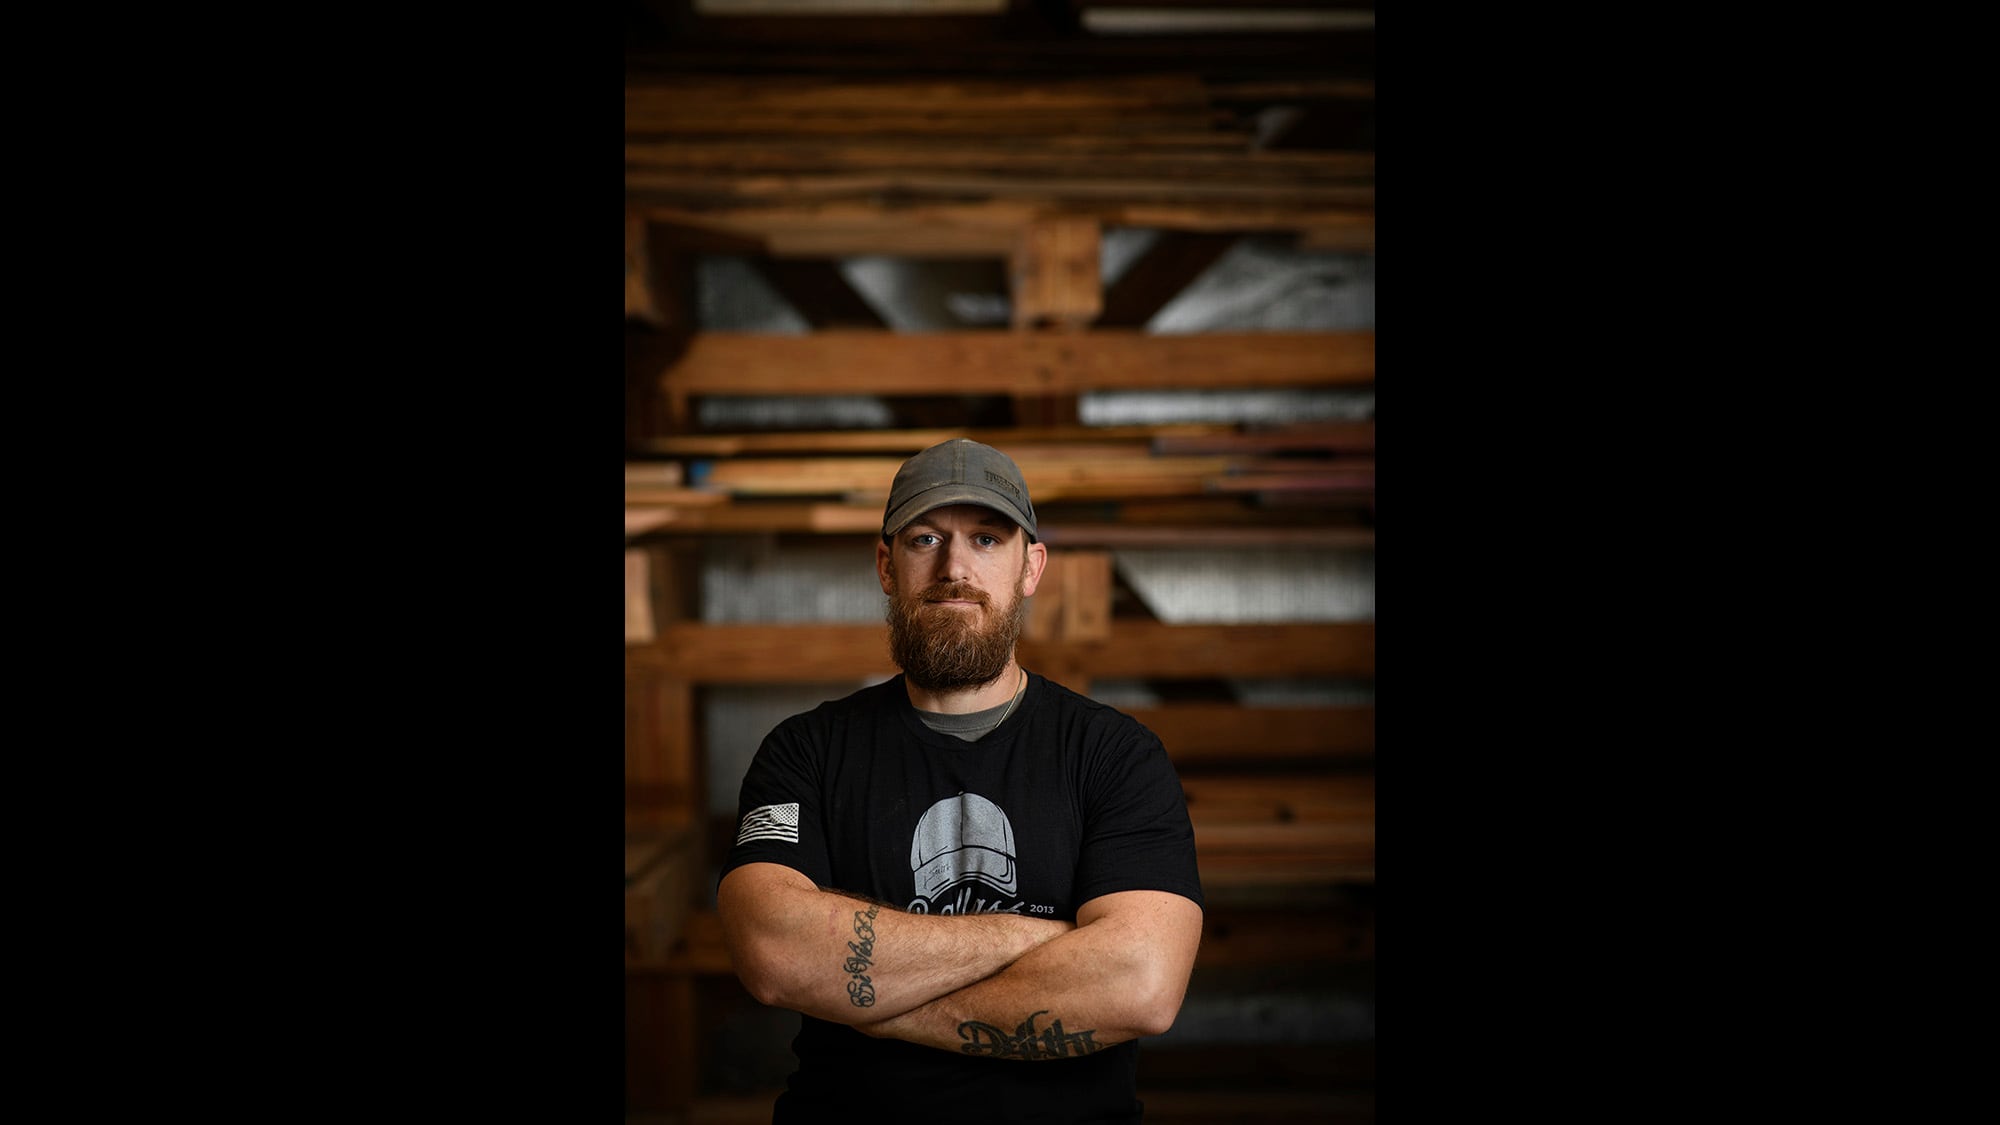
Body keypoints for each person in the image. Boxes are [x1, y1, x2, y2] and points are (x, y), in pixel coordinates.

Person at [717, 438, 1205, 1123]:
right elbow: (772, 952)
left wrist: (876, 1004)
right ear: (887, 565)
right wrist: (1029, 937)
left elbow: (1141, 986)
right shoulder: (806, 750)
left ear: (1030, 566)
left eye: (985, 537)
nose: (955, 567)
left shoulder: (1115, 754)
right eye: (925, 538)